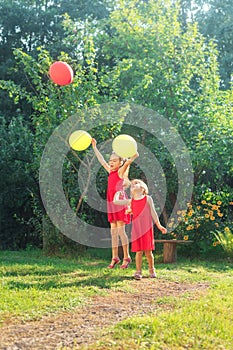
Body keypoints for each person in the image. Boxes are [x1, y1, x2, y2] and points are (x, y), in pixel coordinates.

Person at [92, 138, 139, 269]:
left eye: (114, 161)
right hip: (111, 203)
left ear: (120, 163)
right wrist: (95, 147)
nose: (111, 162)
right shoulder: (110, 171)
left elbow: (129, 161)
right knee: (113, 232)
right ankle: (114, 257)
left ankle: (126, 257)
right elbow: (101, 160)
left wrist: (133, 155)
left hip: (119, 203)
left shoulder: (119, 172)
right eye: (110, 160)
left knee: (120, 231)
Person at [114, 179, 167, 279]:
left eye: (136, 183)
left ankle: (152, 269)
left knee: (148, 251)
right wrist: (118, 192)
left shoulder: (148, 199)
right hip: (137, 230)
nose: (133, 185)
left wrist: (159, 225)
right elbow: (116, 202)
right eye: (132, 185)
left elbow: (154, 213)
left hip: (146, 228)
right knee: (138, 251)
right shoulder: (131, 201)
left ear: (143, 188)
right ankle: (138, 271)